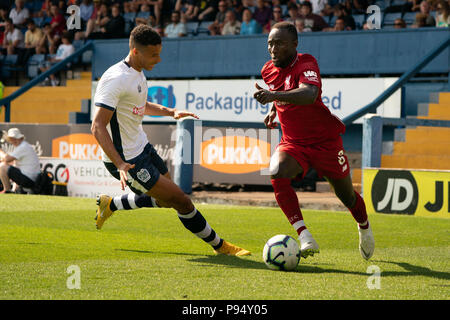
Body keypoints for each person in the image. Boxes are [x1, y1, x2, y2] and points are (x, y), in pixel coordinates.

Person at [91, 24, 250, 257]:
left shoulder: (136, 72)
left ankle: (111, 204)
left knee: (166, 201)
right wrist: (120, 164)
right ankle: (221, 246)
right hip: (128, 160)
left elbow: (138, 105)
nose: (159, 59)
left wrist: (170, 111)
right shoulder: (115, 78)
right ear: (136, 52)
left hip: (142, 147)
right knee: (182, 201)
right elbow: (97, 126)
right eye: (154, 54)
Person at [253, 22, 374, 260]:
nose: (273, 49)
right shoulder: (268, 69)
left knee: (347, 196)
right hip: (294, 143)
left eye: (279, 43)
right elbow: (279, 93)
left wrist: (272, 97)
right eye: (269, 43)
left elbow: (308, 94)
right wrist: (273, 111)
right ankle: (305, 236)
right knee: (277, 171)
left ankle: (364, 226)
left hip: (326, 143)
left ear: (294, 45)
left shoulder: (307, 63)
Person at [0, 128, 40, 194]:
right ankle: (11, 191)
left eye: (15, 138)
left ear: (20, 138)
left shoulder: (23, 147)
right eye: (11, 139)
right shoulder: (23, 146)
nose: (13, 140)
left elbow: (7, 158)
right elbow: (11, 163)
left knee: (2, 167)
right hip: (31, 179)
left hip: (29, 180)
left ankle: (7, 191)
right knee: (5, 165)